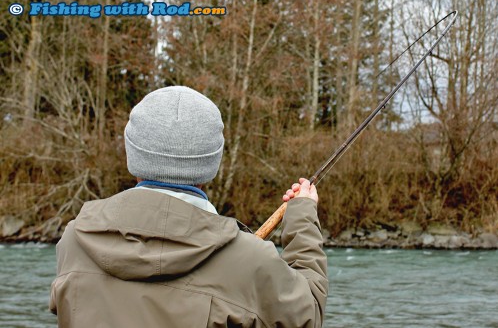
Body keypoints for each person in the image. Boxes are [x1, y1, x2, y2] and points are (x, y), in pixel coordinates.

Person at [50, 86, 328, 327]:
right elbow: (307, 315)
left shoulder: (75, 241)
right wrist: (302, 215)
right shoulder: (251, 261)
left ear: (132, 154)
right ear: (212, 164)